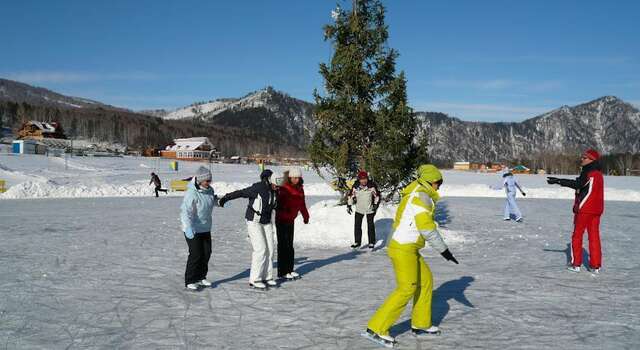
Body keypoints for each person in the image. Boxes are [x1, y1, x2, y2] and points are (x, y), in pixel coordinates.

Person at [363, 164, 459, 347]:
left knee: (426, 281)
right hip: (402, 247)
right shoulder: (421, 196)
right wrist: (444, 251)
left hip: (409, 246)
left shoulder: (417, 190)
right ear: (431, 181)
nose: (439, 186)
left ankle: (420, 323)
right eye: (438, 183)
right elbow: (427, 228)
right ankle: (376, 328)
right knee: (407, 287)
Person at [218, 169, 279, 290]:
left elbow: (276, 205)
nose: (278, 187)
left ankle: (267, 276)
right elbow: (241, 193)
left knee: (270, 250)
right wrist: (226, 198)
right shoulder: (258, 188)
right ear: (270, 181)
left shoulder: (275, 191)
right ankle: (255, 279)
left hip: (266, 222)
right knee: (260, 249)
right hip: (254, 221)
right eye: (276, 185)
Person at [547, 149, 604, 273]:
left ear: (591, 160)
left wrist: (558, 181)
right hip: (596, 210)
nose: (582, 159)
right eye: (582, 157)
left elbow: (577, 184)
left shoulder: (588, 171)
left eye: (585, 157)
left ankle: (576, 264)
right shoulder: (598, 173)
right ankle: (596, 266)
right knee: (594, 237)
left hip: (585, 209)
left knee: (577, 235)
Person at [180, 166, 217, 290]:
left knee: (206, 253)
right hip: (193, 229)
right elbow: (186, 212)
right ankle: (190, 280)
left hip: (205, 228)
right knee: (196, 254)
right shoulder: (192, 193)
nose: (209, 183)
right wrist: (188, 227)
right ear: (200, 180)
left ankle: (201, 277)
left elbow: (212, 200)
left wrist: (220, 202)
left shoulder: (209, 190)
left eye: (210, 180)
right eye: (207, 181)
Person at [275, 167, 310, 280]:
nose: (296, 180)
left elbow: (302, 204)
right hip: (281, 220)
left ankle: (290, 269)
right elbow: (278, 203)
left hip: (291, 220)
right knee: (283, 246)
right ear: (290, 178)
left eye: (298, 178)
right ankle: (282, 271)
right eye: (294, 178)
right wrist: (285, 209)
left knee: (290, 246)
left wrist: (306, 216)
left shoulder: (300, 189)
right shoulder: (284, 188)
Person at [347, 170, 380, 249]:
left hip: (370, 209)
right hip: (359, 208)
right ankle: (357, 242)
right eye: (362, 179)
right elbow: (350, 196)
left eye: (365, 179)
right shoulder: (356, 187)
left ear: (367, 179)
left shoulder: (371, 186)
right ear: (359, 179)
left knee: (370, 225)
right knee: (357, 225)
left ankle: (371, 242)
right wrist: (349, 205)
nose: (363, 181)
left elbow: (377, 196)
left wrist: (375, 205)